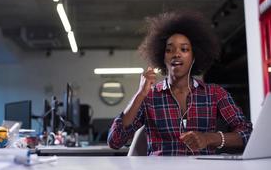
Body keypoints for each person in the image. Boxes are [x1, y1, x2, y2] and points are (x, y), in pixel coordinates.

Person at [107, 10, 253, 156]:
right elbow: (115, 141)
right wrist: (140, 94)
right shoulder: (149, 97)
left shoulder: (215, 94)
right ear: (162, 57)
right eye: (169, 50)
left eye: (184, 49)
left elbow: (247, 133)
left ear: (194, 56)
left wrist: (209, 138)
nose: (176, 54)